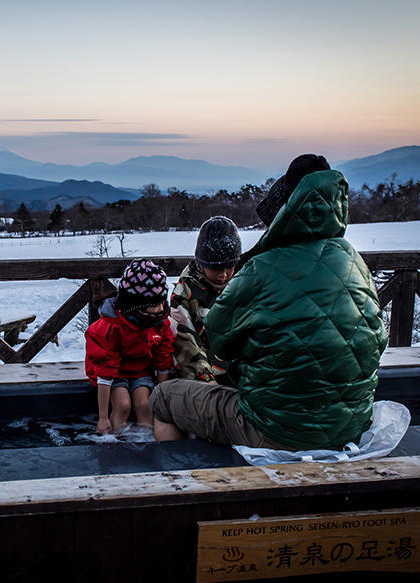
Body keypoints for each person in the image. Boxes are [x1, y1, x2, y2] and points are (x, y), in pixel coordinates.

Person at [151, 154, 388, 451]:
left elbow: (221, 341)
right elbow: (378, 340)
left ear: (283, 213)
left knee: (162, 398)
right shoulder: (355, 262)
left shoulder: (260, 269)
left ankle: (187, 484)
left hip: (276, 432)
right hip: (352, 425)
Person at [85, 258, 175, 435]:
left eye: (162, 302)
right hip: (113, 372)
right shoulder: (112, 326)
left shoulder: (157, 321)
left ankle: (146, 448)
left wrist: (162, 395)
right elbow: (105, 370)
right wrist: (103, 417)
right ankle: (115, 446)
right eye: (155, 304)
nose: (161, 308)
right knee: (123, 405)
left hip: (140, 369)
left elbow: (163, 357)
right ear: (137, 305)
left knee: (144, 404)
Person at [170, 216, 241, 383]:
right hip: (204, 377)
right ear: (201, 263)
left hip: (243, 375)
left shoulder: (245, 281)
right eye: (215, 268)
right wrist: (207, 379)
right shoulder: (185, 291)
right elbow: (184, 340)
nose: (223, 274)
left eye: (229, 266)